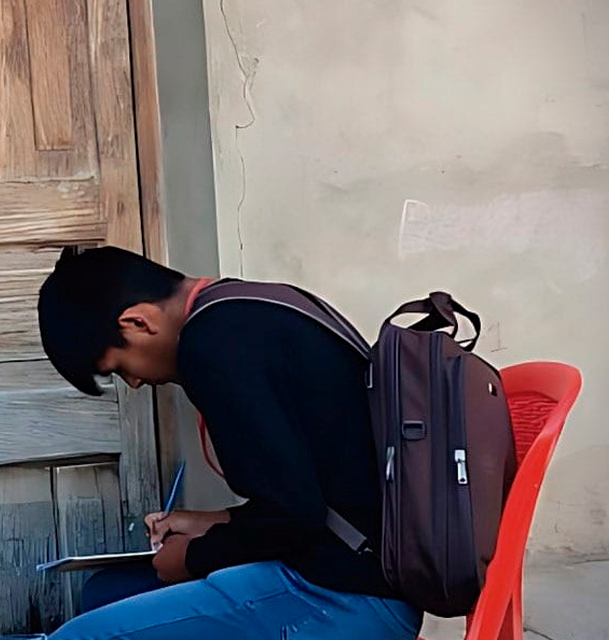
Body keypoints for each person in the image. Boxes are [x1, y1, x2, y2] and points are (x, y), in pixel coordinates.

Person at [37, 247, 421, 640]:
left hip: (345, 594)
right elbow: (308, 495)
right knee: (106, 592)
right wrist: (209, 522)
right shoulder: (249, 306)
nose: (134, 383)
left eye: (119, 368)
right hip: (364, 570)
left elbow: (296, 516)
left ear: (138, 321)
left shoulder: (211, 345)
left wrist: (192, 557)